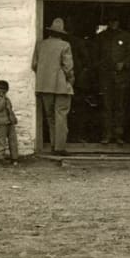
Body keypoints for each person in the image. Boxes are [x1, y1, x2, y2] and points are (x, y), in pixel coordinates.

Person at [32, 18, 75, 155]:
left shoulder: (40, 45)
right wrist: (71, 79)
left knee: (50, 117)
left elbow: (34, 65)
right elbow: (68, 67)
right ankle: (60, 147)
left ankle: (53, 145)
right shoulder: (65, 45)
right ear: (61, 33)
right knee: (61, 115)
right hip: (61, 86)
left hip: (44, 86)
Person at [94, 15, 130, 145]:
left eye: (116, 20)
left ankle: (118, 136)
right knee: (106, 106)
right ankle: (106, 135)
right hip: (106, 78)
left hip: (121, 77)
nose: (113, 23)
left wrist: (124, 63)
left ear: (119, 22)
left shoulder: (126, 36)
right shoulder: (101, 37)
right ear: (108, 22)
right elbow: (95, 56)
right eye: (111, 20)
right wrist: (102, 67)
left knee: (120, 106)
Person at [0, 79, 19, 163]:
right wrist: (3, 99)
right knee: (1, 141)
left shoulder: (7, 99)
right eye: (0, 88)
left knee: (13, 141)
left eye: (4, 89)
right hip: (1, 123)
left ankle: (14, 158)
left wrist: (13, 118)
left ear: (7, 90)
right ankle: (0, 158)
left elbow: (10, 110)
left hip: (9, 122)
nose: (2, 90)